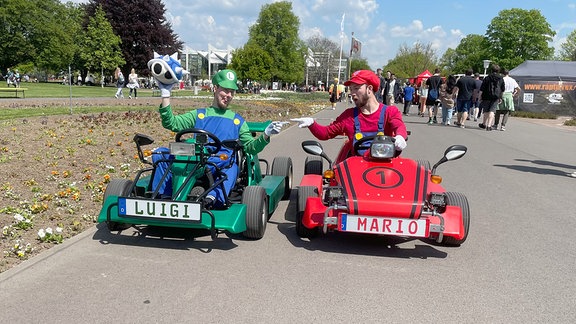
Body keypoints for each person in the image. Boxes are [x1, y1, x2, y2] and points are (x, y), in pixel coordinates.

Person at [151, 69, 284, 209]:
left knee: (232, 166)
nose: (229, 95)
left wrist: (265, 135)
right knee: (160, 154)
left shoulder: (237, 121)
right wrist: (165, 94)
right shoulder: (199, 114)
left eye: (232, 92)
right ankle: (163, 196)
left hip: (220, 162)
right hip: (197, 159)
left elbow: (250, 147)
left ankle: (212, 198)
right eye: (225, 90)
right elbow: (171, 123)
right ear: (215, 88)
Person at [290, 69, 408, 161]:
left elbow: (399, 126)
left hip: (386, 167)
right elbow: (326, 133)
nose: (352, 93)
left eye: (356, 88)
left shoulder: (390, 112)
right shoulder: (349, 116)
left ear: (369, 89)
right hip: (356, 168)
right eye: (351, 89)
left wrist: (400, 137)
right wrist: (312, 124)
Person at [478, 64, 505, 131]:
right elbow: (502, 89)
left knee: (486, 111)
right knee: (492, 111)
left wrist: (479, 96)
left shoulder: (487, 78)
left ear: (491, 70)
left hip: (486, 96)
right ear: (498, 70)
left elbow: (482, 88)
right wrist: (500, 97)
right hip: (495, 97)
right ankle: (489, 126)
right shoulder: (500, 78)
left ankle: (484, 124)